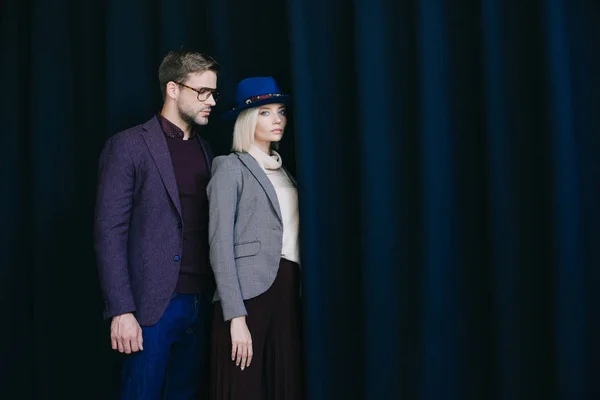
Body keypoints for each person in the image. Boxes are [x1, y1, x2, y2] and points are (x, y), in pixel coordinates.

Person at [93, 50, 219, 399]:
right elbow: (109, 232)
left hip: (199, 303)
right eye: (203, 92)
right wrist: (121, 309)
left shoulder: (207, 151)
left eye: (213, 93)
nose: (210, 101)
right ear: (173, 89)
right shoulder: (128, 145)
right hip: (152, 307)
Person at [207, 76, 303, 399]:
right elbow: (219, 245)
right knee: (244, 387)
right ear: (247, 118)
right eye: (265, 112)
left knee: (283, 385)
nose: (277, 119)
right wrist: (235, 316)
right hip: (248, 296)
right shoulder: (229, 168)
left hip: (287, 290)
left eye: (281, 111)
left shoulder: (285, 171)